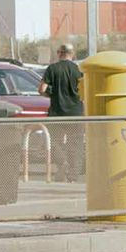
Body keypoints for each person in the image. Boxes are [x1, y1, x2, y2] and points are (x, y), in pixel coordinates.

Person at [38, 43, 83, 180]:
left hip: (57, 113)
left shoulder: (52, 69)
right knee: (75, 144)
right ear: (72, 53)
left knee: (52, 140)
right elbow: (84, 90)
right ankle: (73, 175)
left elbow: (42, 89)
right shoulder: (78, 69)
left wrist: (51, 95)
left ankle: (62, 162)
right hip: (76, 113)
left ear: (59, 53)